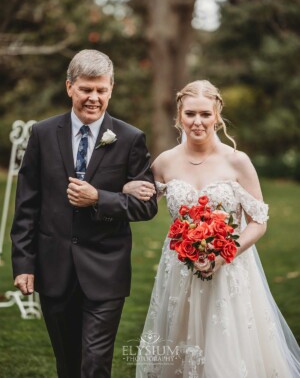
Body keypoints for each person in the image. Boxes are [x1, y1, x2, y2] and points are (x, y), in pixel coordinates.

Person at [123, 80, 300, 377]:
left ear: (217, 115)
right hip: (179, 271)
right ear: (179, 115)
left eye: (205, 114)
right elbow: (143, 196)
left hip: (229, 271)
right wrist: (126, 186)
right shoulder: (165, 162)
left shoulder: (237, 161)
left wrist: (224, 254)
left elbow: (258, 221)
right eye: (190, 113)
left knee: (226, 353)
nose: (197, 121)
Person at [10, 49, 158, 378]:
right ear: (69, 87)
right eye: (86, 89)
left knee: (95, 364)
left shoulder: (130, 138)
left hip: (106, 270)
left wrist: (99, 199)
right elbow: (27, 205)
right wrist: (23, 263)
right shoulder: (43, 134)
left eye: (101, 90)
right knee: (68, 364)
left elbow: (147, 205)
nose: (94, 98)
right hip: (54, 268)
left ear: (111, 89)